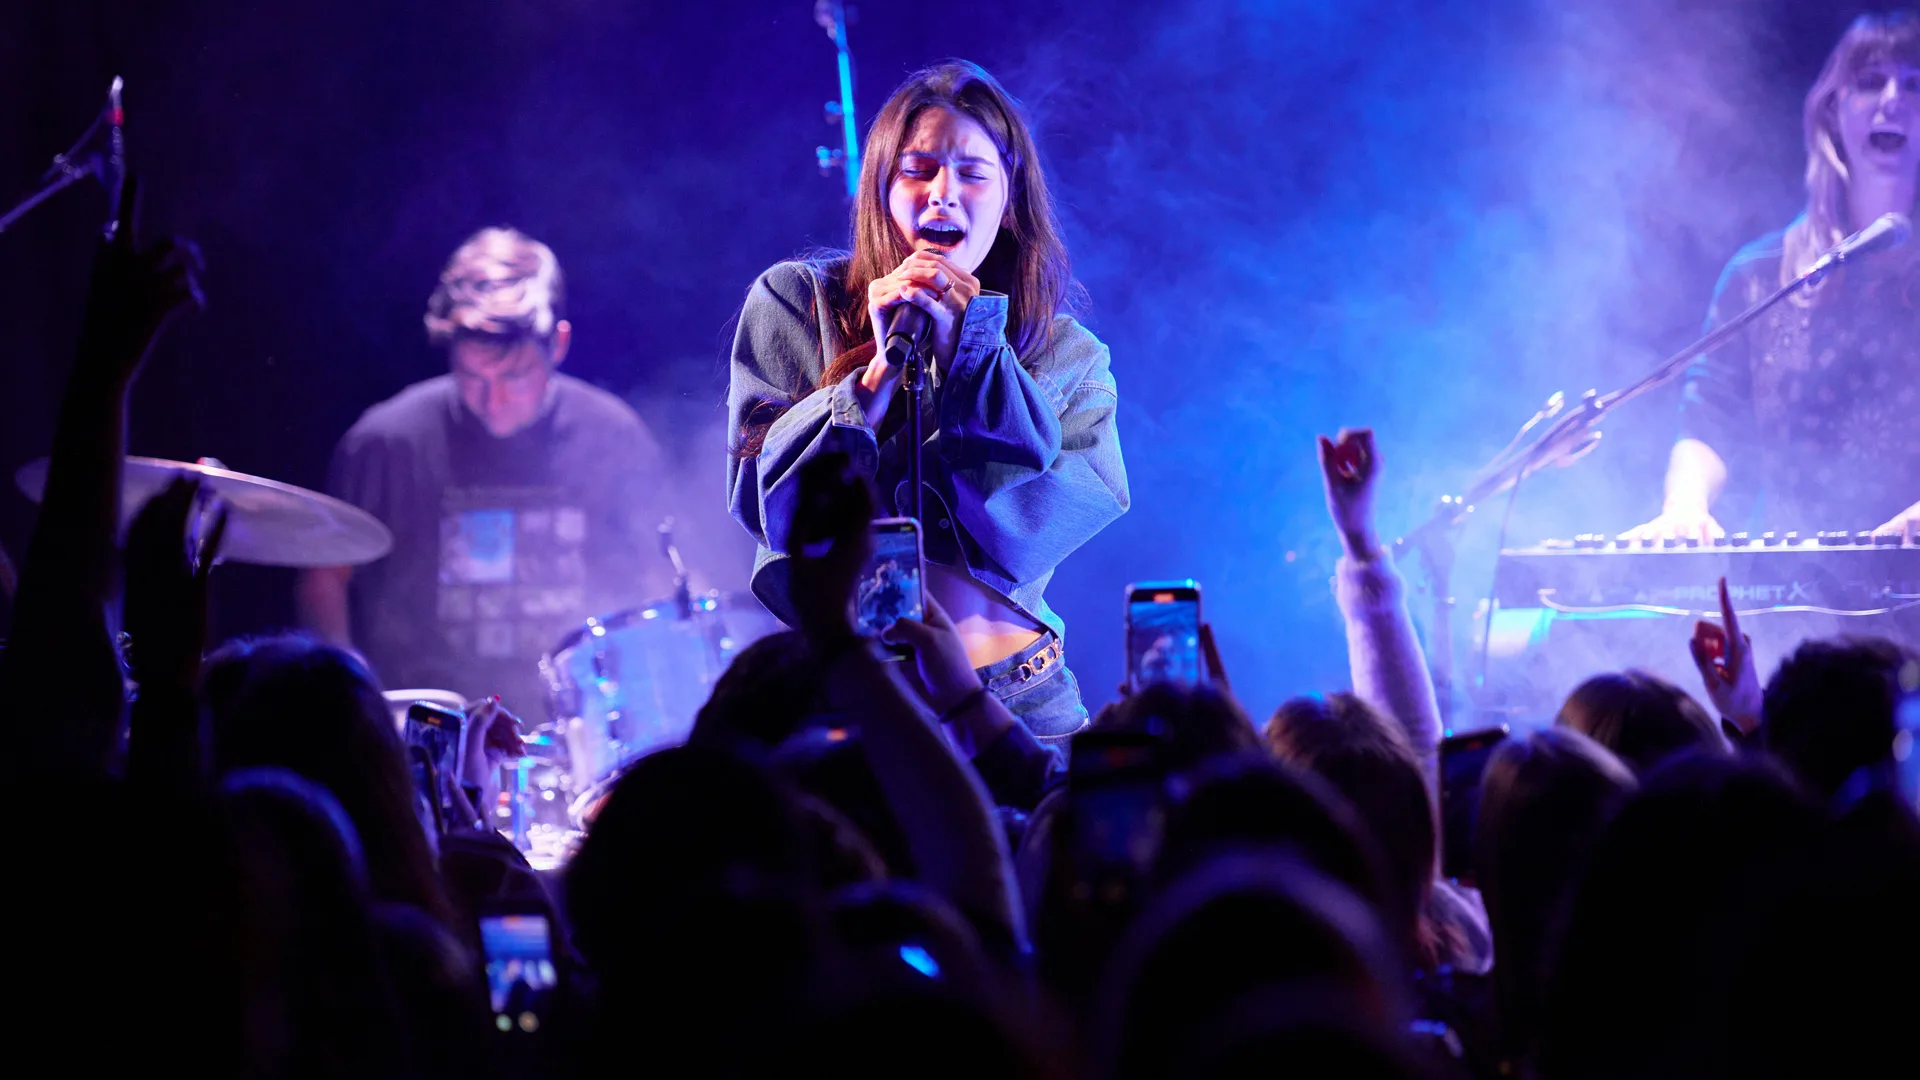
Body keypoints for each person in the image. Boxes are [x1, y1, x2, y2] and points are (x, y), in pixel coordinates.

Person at [727, 60, 1129, 743]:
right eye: (918, 169)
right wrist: (877, 378)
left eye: (972, 173)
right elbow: (768, 506)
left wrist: (974, 355)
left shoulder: (1068, 356)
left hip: (1017, 704)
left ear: (1009, 201)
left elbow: (1025, 532)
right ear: (882, 188)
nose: (944, 195)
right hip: (843, 706)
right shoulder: (795, 303)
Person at [298, 226, 672, 714]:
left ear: (557, 345)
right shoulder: (386, 442)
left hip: (572, 732)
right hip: (424, 730)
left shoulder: (613, 436)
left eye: (513, 376)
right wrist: (350, 692)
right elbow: (323, 578)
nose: (492, 400)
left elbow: (659, 576)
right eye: (472, 376)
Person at [1635, 11, 1919, 540]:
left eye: (1914, 84)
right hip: (1789, 594)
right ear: (1834, 110)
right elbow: (1709, 417)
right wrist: (1685, 505)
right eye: (1871, 82)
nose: (1892, 100)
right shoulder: (1762, 275)